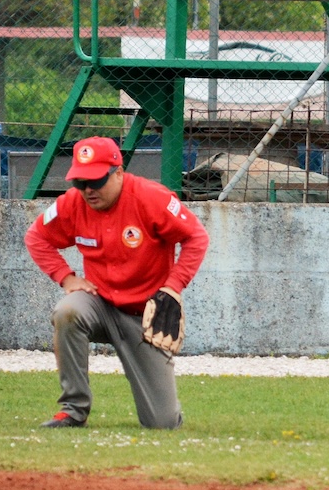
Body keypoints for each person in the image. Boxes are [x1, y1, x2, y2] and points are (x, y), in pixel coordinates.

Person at [25, 136, 209, 429]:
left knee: (162, 423)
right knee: (67, 311)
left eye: (96, 181)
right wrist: (66, 277)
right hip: (99, 305)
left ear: (119, 172)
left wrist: (173, 286)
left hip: (144, 316)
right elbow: (36, 237)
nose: (87, 190)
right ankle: (72, 409)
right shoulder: (73, 203)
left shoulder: (151, 198)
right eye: (80, 181)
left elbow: (196, 237)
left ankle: (163, 409)